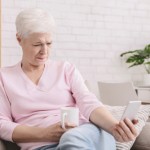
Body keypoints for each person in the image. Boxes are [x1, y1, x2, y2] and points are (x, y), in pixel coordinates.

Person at [0, 8, 138, 150]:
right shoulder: (4, 78)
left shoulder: (66, 69)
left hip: (86, 136)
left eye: (49, 43)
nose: (44, 51)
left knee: (72, 138)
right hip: (42, 147)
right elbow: (1, 124)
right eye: (37, 44)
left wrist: (115, 127)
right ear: (19, 39)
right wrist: (44, 134)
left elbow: (88, 103)